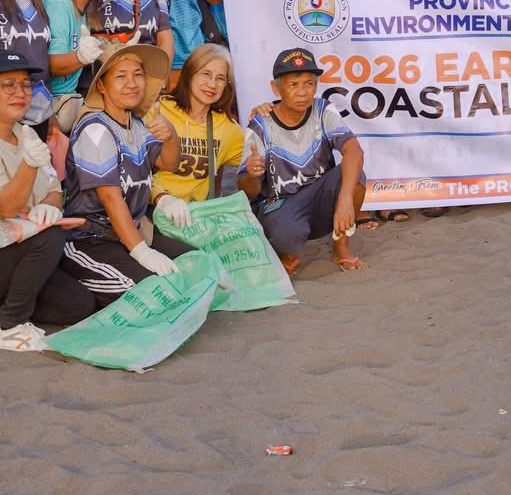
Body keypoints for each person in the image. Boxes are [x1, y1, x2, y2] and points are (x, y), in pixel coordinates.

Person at [0, 46, 92, 350]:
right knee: (48, 239)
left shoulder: (25, 134)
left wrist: (49, 206)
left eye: (25, 85)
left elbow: (53, 188)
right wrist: (29, 164)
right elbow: (8, 206)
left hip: (11, 250)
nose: (20, 93)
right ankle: (10, 327)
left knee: (78, 305)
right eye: (8, 85)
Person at [58, 42, 188, 305]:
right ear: (102, 86)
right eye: (121, 76)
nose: (132, 83)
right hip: (90, 240)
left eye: (138, 74)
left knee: (194, 267)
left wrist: (172, 135)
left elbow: (169, 163)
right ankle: (71, 286)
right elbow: (110, 199)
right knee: (153, 295)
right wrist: (142, 252)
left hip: (131, 232)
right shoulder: (95, 129)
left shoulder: (137, 124)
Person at [241, 48, 366, 274]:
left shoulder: (322, 109)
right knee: (286, 237)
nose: (303, 92)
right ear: (275, 87)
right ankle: (286, 253)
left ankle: (341, 248)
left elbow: (354, 150)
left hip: (318, 199)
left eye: (309, 83)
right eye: (293, 84)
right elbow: (248, 192)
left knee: (354, 175)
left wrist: (346, 198)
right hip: (281, 207)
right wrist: (251, 175)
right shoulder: (260, 124)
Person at [151, 44, 248, 209]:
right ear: (189, 74)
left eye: (220, 78)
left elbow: (255, 169)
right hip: (154, 211)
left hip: (197, 220)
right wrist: (161, 198)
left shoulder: (229, 129)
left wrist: (266, 112)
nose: (212, 84)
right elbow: (132, 168)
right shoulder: (158, 110)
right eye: (206, 74)